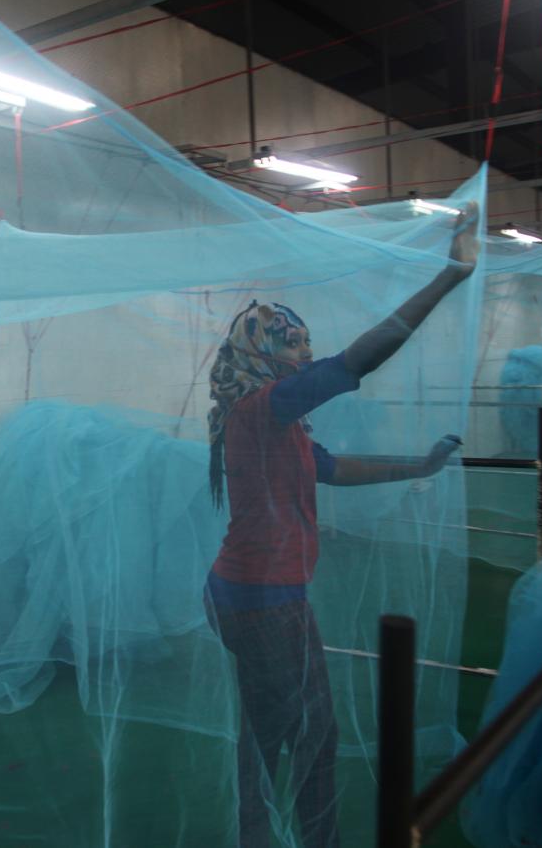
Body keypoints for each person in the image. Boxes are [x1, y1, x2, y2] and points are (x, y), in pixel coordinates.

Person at [205, 203, 480, 848]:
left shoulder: (273, 418)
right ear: (263, 354)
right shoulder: (262, 407)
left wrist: (421, 464)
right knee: (314, 731)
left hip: (248, 594)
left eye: (305, 341)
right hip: (262, 598)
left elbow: (334, 468)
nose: (305, 352)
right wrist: (449, 277)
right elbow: (359, 358)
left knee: (270, 724)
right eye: (293, 343)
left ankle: (256, 834)